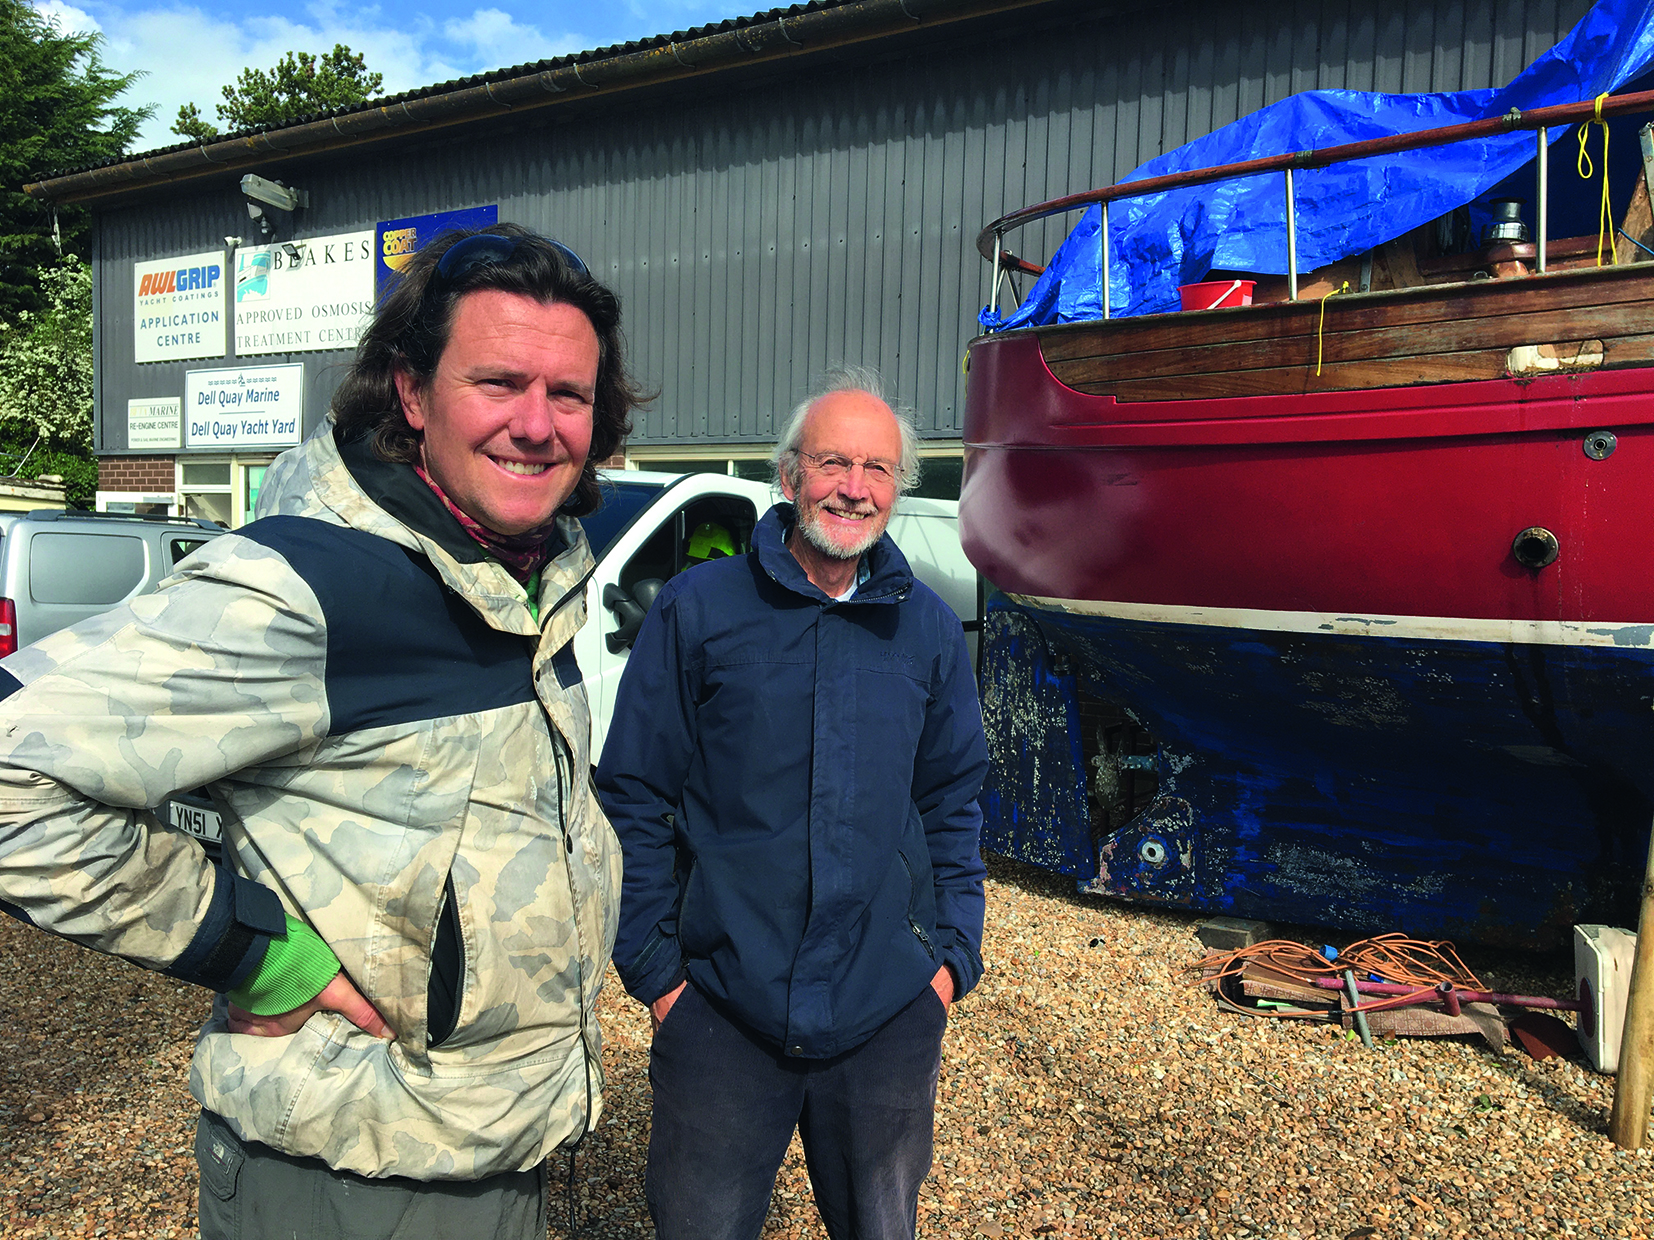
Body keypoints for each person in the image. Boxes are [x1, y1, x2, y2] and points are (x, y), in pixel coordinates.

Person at [0, 223, 640, 1238]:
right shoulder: (313, 586)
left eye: (569, 394)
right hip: (348, 1179)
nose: (537, 422)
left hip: (492, 1149)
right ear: (413, 394)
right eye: (498, 382)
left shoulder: (528, 580)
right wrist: (253, 951)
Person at [596, 366, 989, 1240]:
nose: (855, 488)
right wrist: (660, 976)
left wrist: (949, 960)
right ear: (789, 476)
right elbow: (633, 792)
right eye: (834, 463)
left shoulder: (923, 627)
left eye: (878, 469)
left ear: (899, 486)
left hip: (888, 1009)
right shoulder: (702, 610)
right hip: (722, 1012)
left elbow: (953, 798)